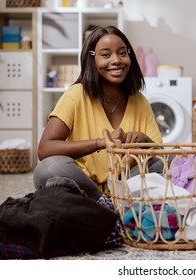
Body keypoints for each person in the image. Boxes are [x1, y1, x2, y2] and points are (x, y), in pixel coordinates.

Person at [33, 26, 163, 199]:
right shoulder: (76, 94)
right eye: (106, 54)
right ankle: (105, 203)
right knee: (50, 167)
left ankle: (115, 202)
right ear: (92, 59)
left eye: (122, 53)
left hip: (127, 184)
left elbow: (160, 156)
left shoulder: (139, 100)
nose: (117, 60)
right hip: (83, 185)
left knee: (168, 162)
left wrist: (145, 141)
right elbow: (45, 149)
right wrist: (101, 143)